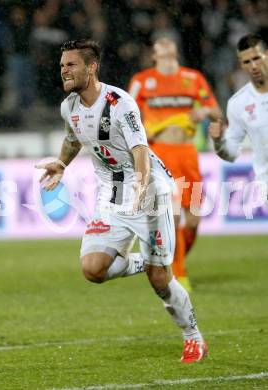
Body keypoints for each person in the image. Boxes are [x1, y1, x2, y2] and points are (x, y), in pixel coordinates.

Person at [36, 39, 207, 363]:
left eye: (71, 65)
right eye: (62, 66)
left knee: (161, 281)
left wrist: (142, 185)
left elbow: (140, 148)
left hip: (148, 191)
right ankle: (147, 262)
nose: (64, 71)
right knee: (93, 269)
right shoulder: (68, 106)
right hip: (111, 197)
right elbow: (73, 139)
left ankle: (193, 337)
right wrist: (61, 162)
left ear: (91, 67)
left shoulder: (119, 102)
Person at [128, 37, 222, 292]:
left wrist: (204, 112)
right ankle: (179, 274)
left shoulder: (193, 79)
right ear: (154, 55)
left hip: (189, 154)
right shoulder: (142, 81)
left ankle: (173, 259)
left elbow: (215, 111)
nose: (166, 44)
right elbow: (127, 113)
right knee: (174, 214)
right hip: (160, 154)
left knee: (193, 220)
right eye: (160, 45)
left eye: (169, 43)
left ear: (175, 51)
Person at [209, 33, 268, 190]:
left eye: (257, 58)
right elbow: (231, 154)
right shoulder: (238, 103)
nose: (253, 66)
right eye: (247, 62)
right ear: (241, 65)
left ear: (267, 55)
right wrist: (218, 141)